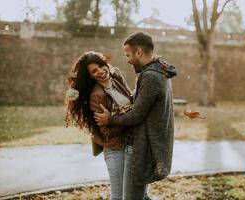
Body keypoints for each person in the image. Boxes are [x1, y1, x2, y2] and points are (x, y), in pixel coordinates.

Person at [94, 32, 177, 200]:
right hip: (142, 144)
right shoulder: (159, 71)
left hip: (141, 147)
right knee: (140, 196)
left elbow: (136, 116)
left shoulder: (151, 76)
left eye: (128, 55)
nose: (127, 59)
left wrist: (109, 119)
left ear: (139, 52)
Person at [65, 51, 133, 200]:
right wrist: (120, 119)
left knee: (133, 193)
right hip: (114, 147)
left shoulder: (116, 76)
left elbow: (129, 99)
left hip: (130, 144)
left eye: (101, 66)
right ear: (90, 76)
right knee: (118, 195)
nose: (100, 72)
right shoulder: (96, 96)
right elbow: (106, 132)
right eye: (94, 71)